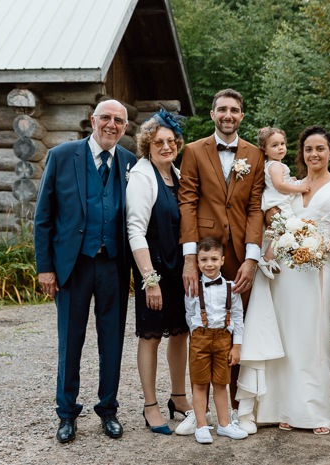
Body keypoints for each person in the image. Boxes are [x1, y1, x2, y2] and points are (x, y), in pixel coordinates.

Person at [236, 126, 330, 435]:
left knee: (313, 337)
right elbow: (271, 220)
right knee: (285, 336)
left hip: (316, 268)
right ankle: (284, 408)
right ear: (301, 154)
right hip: (285, 271)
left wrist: (320, 247)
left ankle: (314, 411)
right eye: (308, 149)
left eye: (320, 148)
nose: (314, 154)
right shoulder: (290, 185)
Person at [34, 99, 137, 443]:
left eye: (118, 120)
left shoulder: (129, 162)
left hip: (114, 265)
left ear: (125, 127)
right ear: (93, 120)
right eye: (106, 118)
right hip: (72, 265)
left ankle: (108, 409)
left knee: (112, 341)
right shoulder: (63, 155)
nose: (112, 124)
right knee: (70, 340)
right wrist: (45, 268)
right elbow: (44, 216)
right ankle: (66, 414)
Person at [178, 88, 265, 434]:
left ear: (242, 116)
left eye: (235, 110)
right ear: (213, 114)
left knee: (237, 326)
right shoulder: (194, 151)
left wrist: (252, 258)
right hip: (206, 254)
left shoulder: (255, 155)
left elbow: (255, 207)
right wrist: (190, 257)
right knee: (202, 326)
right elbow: (187, 202)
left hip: (241, 252)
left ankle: (233, 410)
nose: (228, 115)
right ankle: (200, 414)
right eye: (222, 109)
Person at [126, 110, 193, 436]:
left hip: (179, 269)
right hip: (153, 270)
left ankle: (178, 397)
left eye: (171, 141)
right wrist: (149, 280)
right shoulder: (142, 176)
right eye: (159, 142)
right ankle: (150, 404)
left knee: (180, 332)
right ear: (147, 146)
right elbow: (135, 229)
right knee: (151, 335)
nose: (166, 146)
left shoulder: (178, 175)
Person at [185, 236, 248, 444]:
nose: (209, 264)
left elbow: (238, 318)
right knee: (200, 383)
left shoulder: (231, 288)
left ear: (222, 259)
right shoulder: (194, 288)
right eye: (203, 260)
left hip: (223, 339)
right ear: (198, 262)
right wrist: (197, 337)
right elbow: (189, 315)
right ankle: (202, 426)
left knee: (222, 383)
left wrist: (236, 346)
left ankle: (224, 424)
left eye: (213, 259)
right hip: (200, 340)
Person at [256, 126, 310, 278]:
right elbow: (279, 185)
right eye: (274, 145)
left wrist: (289, 180)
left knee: (281, 232)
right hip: (278, 202)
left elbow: (280, 181)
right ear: (265, 150)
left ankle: (270, 256)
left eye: (282, 144)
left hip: (276, 200)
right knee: (285, 230)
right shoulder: (276, 165)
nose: (280, 148)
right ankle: (266, 259)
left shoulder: (274, 165)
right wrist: (299, 188)